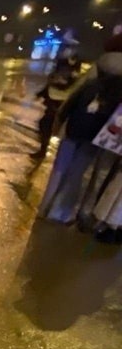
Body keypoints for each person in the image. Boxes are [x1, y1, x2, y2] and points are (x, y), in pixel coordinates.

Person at [37, 52, 122, 224]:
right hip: (92, 139)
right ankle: (60, 212)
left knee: (58, 171)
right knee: (76, 175)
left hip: (72, 131)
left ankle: (44, 208)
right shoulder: (117, 94)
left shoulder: (89, 85)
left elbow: (67, 107)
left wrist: (57, 128)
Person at [31, 43, 82, 159]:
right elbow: (51, 82)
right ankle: (43, 150)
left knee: (49, 125)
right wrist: (42, 93)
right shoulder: (61, 64)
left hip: (60, 100)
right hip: (54, 98)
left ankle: (47, 151)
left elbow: (68, 84)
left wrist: (58, 82)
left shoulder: (72, 67)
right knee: (45, 124)